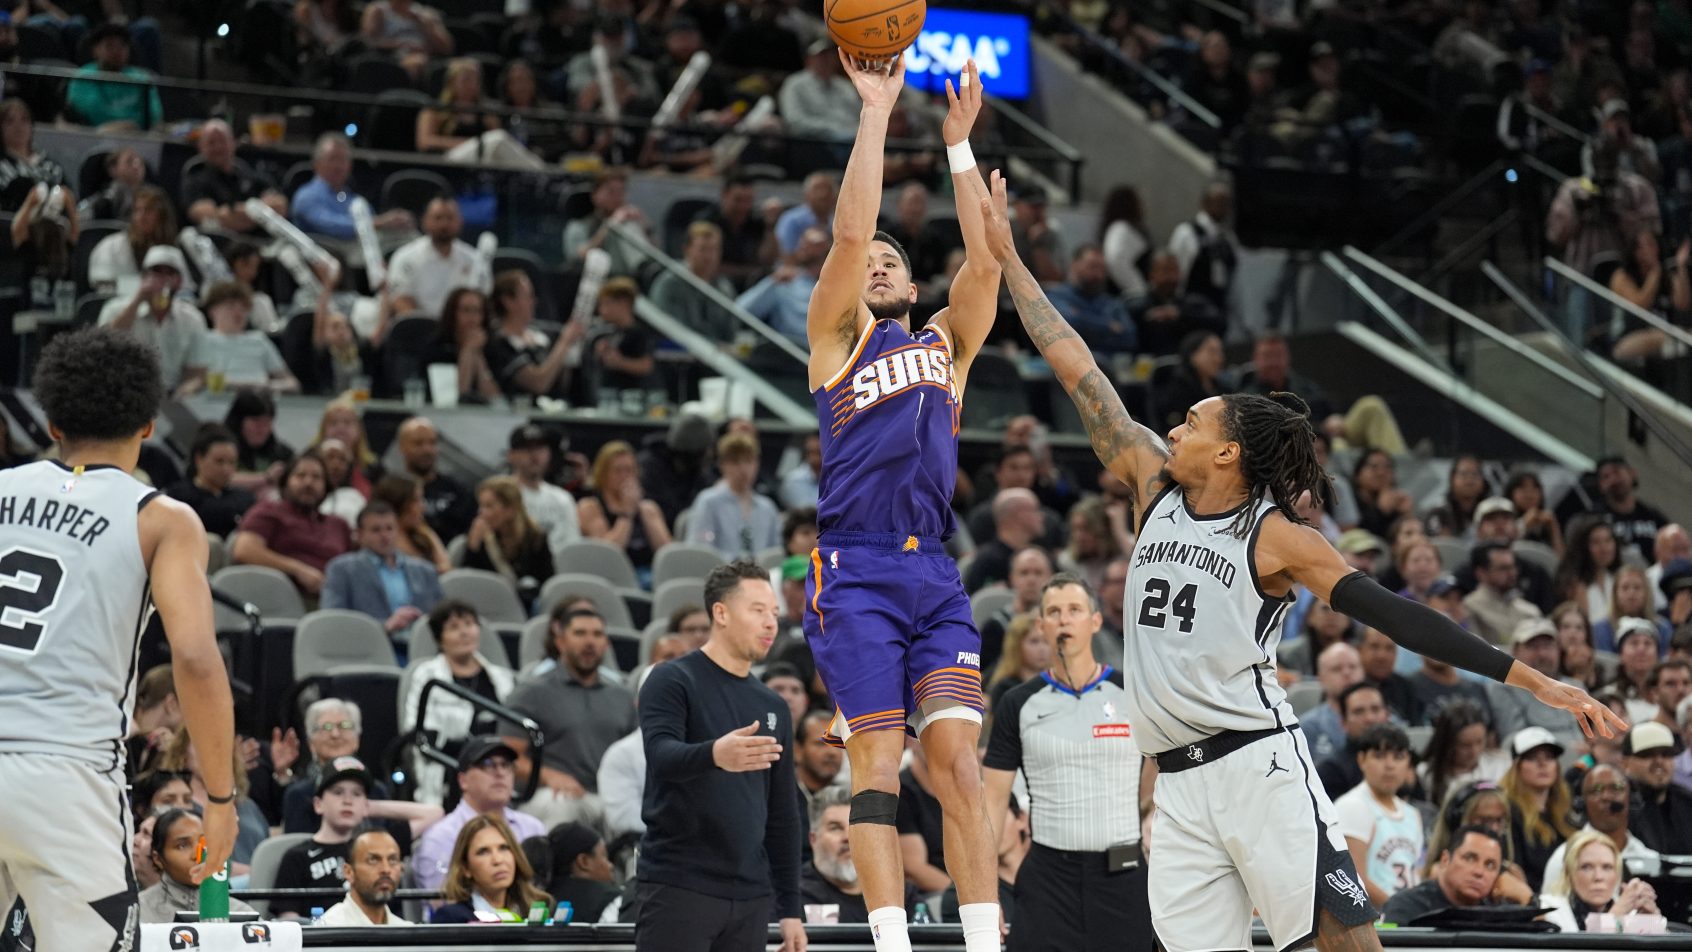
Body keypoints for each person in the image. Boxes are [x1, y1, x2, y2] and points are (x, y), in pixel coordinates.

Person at [981, 171, 1622, 952]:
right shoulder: (1151, 483)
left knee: (1344, 942)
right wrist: (1009, 260)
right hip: (1179, 788)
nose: (1171, 430)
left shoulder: (1277, 535)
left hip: (1261, 767)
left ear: (1227, 450)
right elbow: (1079, 370)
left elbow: (1397, 614)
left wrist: (1534, 680)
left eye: (1190, 422)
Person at [0, 328, 236, 948]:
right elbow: (193, 656)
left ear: (51, 423)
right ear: (149, 426)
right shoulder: (161, 517)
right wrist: (220, 795)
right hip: (64, 772)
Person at [637, 561, 804, 952]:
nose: (770, 624)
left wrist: (790, 908)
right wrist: (714, 753)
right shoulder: (672, 678)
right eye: (758, 611)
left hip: (751, 897)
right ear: (721, 613)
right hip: (679, 885)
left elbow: (782, 812)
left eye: (775, 613)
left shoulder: (773, 705)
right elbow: (661, 755)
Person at [982, 573, 1152, 952]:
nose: (1063, 619)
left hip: (1123, 876)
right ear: (1040, 625)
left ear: (1094, 621)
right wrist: (984, 894)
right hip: (1048, 880)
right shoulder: (1018, 703)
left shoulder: (1133, 695)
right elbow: (991, 803)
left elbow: (1167, 770)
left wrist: (1147, 811)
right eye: (1054, 612)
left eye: (1074, 609)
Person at [504, 607, 634, 830]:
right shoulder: (532, 692)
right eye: (580, 633)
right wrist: (550, 776)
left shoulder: (622, 696)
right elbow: (508, 757)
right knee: (562, 805)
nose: (590, 642)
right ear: (560, 641)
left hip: (610, 795)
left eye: (597, 634)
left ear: (607, 644)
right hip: (551, 794)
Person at [414, 736, 545, 890]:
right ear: (463, 780)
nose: (500, 773)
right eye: (488, 765)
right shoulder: (440, 837)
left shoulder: (533, 828)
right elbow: (441, 903)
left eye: (506, 765)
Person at [230, 451, 354, 597]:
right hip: (280, 596)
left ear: (326, 486)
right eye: (300, 476)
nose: (308, 483)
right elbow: (244, 550)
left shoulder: (338, 525)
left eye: (316, 477)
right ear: (286, 482)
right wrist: (298, 569)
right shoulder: (269, 510)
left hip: (333, 599)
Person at [271, 756, 379, 918]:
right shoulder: (296, 857)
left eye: (357, 794)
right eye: (338, 792)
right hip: (318, 940)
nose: (348, 801)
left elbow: (430, 814)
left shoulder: (376, 853)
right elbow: (287, 920)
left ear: (366, 807)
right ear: (318, 804)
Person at [1334, 723, 1425, 905]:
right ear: (1361, 760)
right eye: (1379, 756)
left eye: (1398, 757)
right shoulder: (1352, 806)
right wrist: (1400, 910)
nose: (1390, 765)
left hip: (1403, 921)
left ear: (1408, 763)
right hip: (1373, 921)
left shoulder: (1412, 814)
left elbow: (1416, 872)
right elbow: (1354, 878)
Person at [96, 244, 205, 392]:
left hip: (173, 395)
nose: (162, 280)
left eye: (169, 273)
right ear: (144, 276)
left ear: (179, 281)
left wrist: (184, 392)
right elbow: (104, 347)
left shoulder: (193, 318)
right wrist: (138, 299)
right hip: (126, 393)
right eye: (156, 272)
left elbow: (197, 371)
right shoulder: (114, 308)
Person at [1539, 765, 1660, 897]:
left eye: (1616, 788)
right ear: (1581, 803)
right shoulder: (1565, 858)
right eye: (1596, 790)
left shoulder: (1649, 859)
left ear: (1630, 799)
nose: (1606, 797)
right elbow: (1551, 913)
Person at [321, 501, 443, 631]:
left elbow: (443, 617)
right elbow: (332, 619)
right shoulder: (341, 569)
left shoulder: (425, 570)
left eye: (390, 528)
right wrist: (383, 627)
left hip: (421, 646)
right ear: (359, 534)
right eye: (376, 530)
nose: (385, 536)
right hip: (369, 646)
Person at [416, 57, 546, 170]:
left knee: (500, 145)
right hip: (447, 161)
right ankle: (543, 172)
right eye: (466, 79)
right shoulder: (435, 110)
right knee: (498, 139)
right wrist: (472, 144)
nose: (471, 84)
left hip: (480, 163)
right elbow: (425, 142)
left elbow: (501, 147)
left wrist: (480, 146)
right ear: (452, 81)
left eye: (475, 80)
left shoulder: (485, 113)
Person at [178, 281, 299, 395]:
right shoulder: (202, 340)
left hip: (258, 399)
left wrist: (266, 387)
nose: (238, 313)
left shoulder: (259, 340)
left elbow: (291, 383)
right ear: (212, 310)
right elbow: (190, 382)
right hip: (217, 397)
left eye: (243, 307)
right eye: (230, 306)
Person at [578, 440, 672, 585]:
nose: (624, 476)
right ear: (602, 474)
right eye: (618, 471)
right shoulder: (590, 507)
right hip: (611, 578)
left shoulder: (648, 508)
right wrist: (626, 515)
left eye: (629, 470)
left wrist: (643, 513)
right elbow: (606, 555)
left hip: (649, 576)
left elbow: (668, 554)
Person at [136, 809, 254, 924]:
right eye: (182, 846)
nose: (198, 854)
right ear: (158, 858)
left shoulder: (241, 912)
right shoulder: (138, 912)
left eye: (205, 843)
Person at [432, 814, 554, 923]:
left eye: (504, 848)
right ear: (465, 868)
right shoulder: (452, 918)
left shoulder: (535, 910)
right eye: (483, 852)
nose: (498, 860)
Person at [486, 269, 586, 401]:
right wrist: (565, 342)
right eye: (528, 296)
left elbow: (561, 383)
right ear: (508, 301)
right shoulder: (499, 343)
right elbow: (538, 384)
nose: (534, 301)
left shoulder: (542, 338)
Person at [1380, 826, 1511, 925]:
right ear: (1445, 860)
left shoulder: (1496, 915)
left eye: (1490, 865)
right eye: (1470, 858)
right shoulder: (1405, 906)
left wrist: (1527, 898)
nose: (1479, 872)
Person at [291, 132, 411, 240]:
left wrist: (395, 224)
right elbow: (329, 225)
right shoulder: (306, 196)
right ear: (316, 163)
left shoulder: (354, 200)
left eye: (343, 160)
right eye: (333, 159)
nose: (338, 166)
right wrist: (377, 223)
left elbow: (374, 230)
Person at [1488, 619, 1584, 752]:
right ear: (1515, 651)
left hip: (1585, 764)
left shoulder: (1575, 686)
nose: (1542, 654)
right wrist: (1571, 750)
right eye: (1533, 647)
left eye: (1548, 646)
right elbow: (1514, 742)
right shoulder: (1503, 689)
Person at [1500, 726, 1577, 890]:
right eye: (1532, 758)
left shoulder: (1567, 814)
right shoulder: (1509, 814)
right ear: (1517, 766)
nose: (1542, 764)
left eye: (1549, 757)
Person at [1539, 828, 1660, 932]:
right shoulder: (1550, 910)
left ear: (1617, 875)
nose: (1598, 877)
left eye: (1607, 867)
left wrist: (1653, 924)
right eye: (1586, 867)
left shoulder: (1629, 912)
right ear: (1569, 873)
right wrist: (1615, 915)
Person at [387, 196, 491, 318]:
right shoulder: (405, 257)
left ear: (460, 221)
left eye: (450, 218)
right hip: (419, 329)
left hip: (461, 330)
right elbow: (400, 301)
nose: (444, 224)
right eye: (438, 218)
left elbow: (482, 299)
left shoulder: (474, 260)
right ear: (425, 221)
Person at [686, 432, 782, 559]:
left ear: (757, 464)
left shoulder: (767, 507)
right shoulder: (708, 502)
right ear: (722, 465)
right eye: (735, 462)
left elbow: (776, 553)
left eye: (748, 461)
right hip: (720, 575)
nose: (743, 469)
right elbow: (699, 550)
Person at [464, 475, 554, 599]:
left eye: (488, 506)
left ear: (510, 509)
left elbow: (547, 583)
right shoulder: (480, 539)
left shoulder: (535, 539)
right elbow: (467, 582)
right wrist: (473, 547)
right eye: (481, 506)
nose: (481, 512)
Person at [64, 24, 163, 129]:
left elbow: (154, 115)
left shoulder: (142, 78)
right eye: (109, 45)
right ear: (95, 50)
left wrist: (131, 125)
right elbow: (89, 112)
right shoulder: (83, 76)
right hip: (94, 137)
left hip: (136, 136)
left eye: (122, 45)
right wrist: (121, 125)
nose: (117, 51)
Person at [395, 416, 477, 543]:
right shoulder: (389, 490)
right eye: (418, 443)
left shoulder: (459, 492)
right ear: (402, 446)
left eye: (432, 443)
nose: (427, 450)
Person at [165, 424, 256, 538]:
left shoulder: (244, 498)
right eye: (219, 461)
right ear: (199, 459)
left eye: (232, 462)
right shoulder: (177, 496)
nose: (226, 469)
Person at [1044, 245, 1138, 355]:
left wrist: (1083, 319)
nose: (1098, 275)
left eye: (1102, 269)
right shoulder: (1056, 296)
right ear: (1074, 265)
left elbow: (1130, 338)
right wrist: (1109, 326)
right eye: (1092, 267)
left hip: (1111, 366)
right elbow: (1069, 323)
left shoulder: (1112, 304)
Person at [1416, 701, 1507, 807]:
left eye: (1480, 741)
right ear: (1448, 744)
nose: (1474, 751)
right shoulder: (1426, 773)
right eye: (1465, 745)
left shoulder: (1502, 764)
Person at [87, 183, 174, 294]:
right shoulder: (111, 247)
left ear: (163, 216)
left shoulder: (173, 250)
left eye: (149, 210)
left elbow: (185, 290)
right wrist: (144, 289)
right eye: (137, 210)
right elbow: (103, 288)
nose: (141, 216)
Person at [1621, 721, 1692, 854]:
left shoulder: (1687, 802)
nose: (1659, 761)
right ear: (1625, 763)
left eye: (1666, 754)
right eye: (1647, 754)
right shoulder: (1618, 807)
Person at [1316, 682, 1393, 799]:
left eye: (1375, 709)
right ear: (1343, 722)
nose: (1369, 718)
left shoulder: (1405, 761)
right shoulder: (1331, 770)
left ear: (1387, 716)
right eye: (1359, 711)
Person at [320, 827, 409, 926]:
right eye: (373, 860)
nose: (386, 869)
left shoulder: (409, 932)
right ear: (349, 872)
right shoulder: (328, 927)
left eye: (392, 860)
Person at [1463, 541, 1544, 646]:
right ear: (1481, 573)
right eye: (1503, 568)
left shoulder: (1530, 611)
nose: (1512, 573)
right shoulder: (1469, 607)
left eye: (1513, 567)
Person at [539, 822, 620, 922]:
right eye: (604, 856)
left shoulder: (536, 897)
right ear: (584, 861)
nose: (611, 866)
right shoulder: (614, 901)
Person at [373, 474, 450, 573]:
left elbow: (447, 567)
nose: (423, 507)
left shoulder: (423, 533)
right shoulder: (380, 543)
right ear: (398, 505)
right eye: (416, 500)